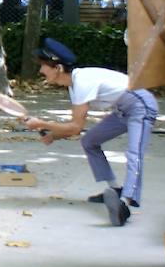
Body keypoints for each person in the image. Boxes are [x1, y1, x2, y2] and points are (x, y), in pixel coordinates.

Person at [22, 38, 158, 227]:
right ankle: (115, 190)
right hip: (122, 110)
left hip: (141, 105)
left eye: (45, 66)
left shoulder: (83, 81)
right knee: (89, 141)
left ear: (58, 68)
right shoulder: (74, 85)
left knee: (134, 154)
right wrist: (52, 134)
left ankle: (125, 204)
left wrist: (41, 123)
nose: (41, 71)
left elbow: (75, 127)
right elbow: (75, 127)